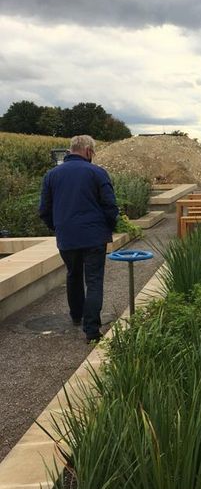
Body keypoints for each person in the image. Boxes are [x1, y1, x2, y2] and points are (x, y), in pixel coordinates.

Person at [39, 134, 119, 343]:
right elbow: (110, 206)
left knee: (73, 275)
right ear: (88, 151)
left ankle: (76, 316)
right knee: (94, 281)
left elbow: (44, 210)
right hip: (94, 237)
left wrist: (58, 227)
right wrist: (108, 227)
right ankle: (91, 330)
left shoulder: (51, 175)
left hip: (67, 237)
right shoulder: (97, 173)